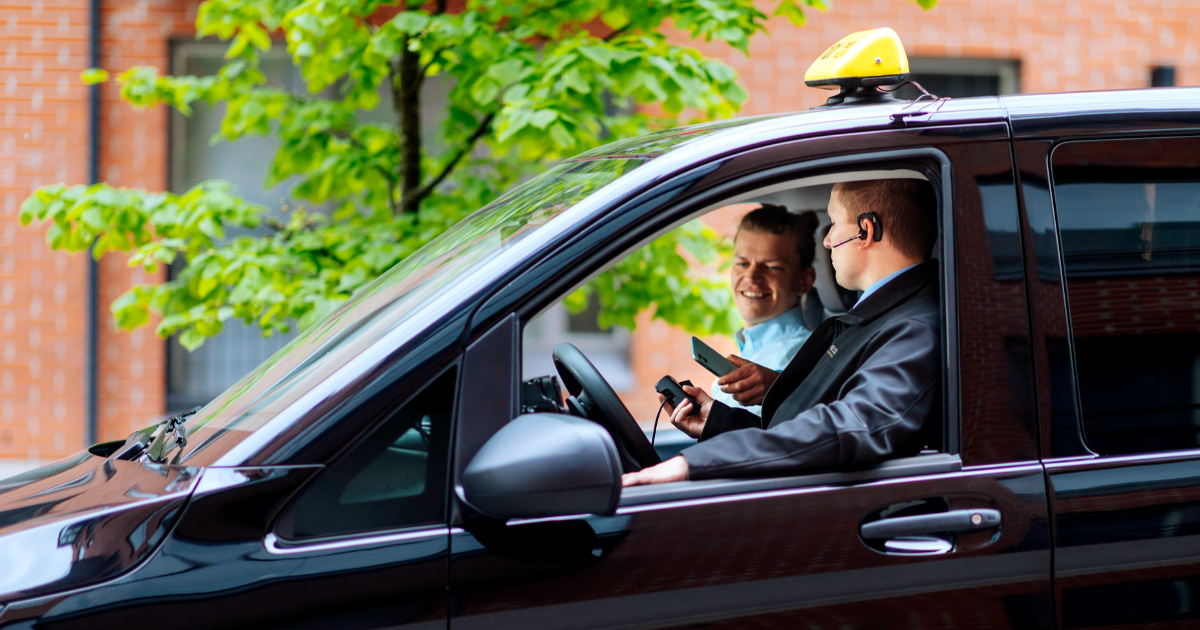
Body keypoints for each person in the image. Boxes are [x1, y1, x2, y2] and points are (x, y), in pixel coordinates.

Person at [624, 178, 940, 486]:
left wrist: (694, 463)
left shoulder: (911, 328)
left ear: (865, 231)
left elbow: (848, 430)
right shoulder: (882, 318)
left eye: (832, 224)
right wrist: (718, 423)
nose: (827, 240)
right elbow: (815, 427)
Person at [712, 205, 819, 416]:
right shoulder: (748, 350)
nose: (751, 277)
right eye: (742, 263)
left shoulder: (804, 358)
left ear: (804, 281)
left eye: (772, 267)